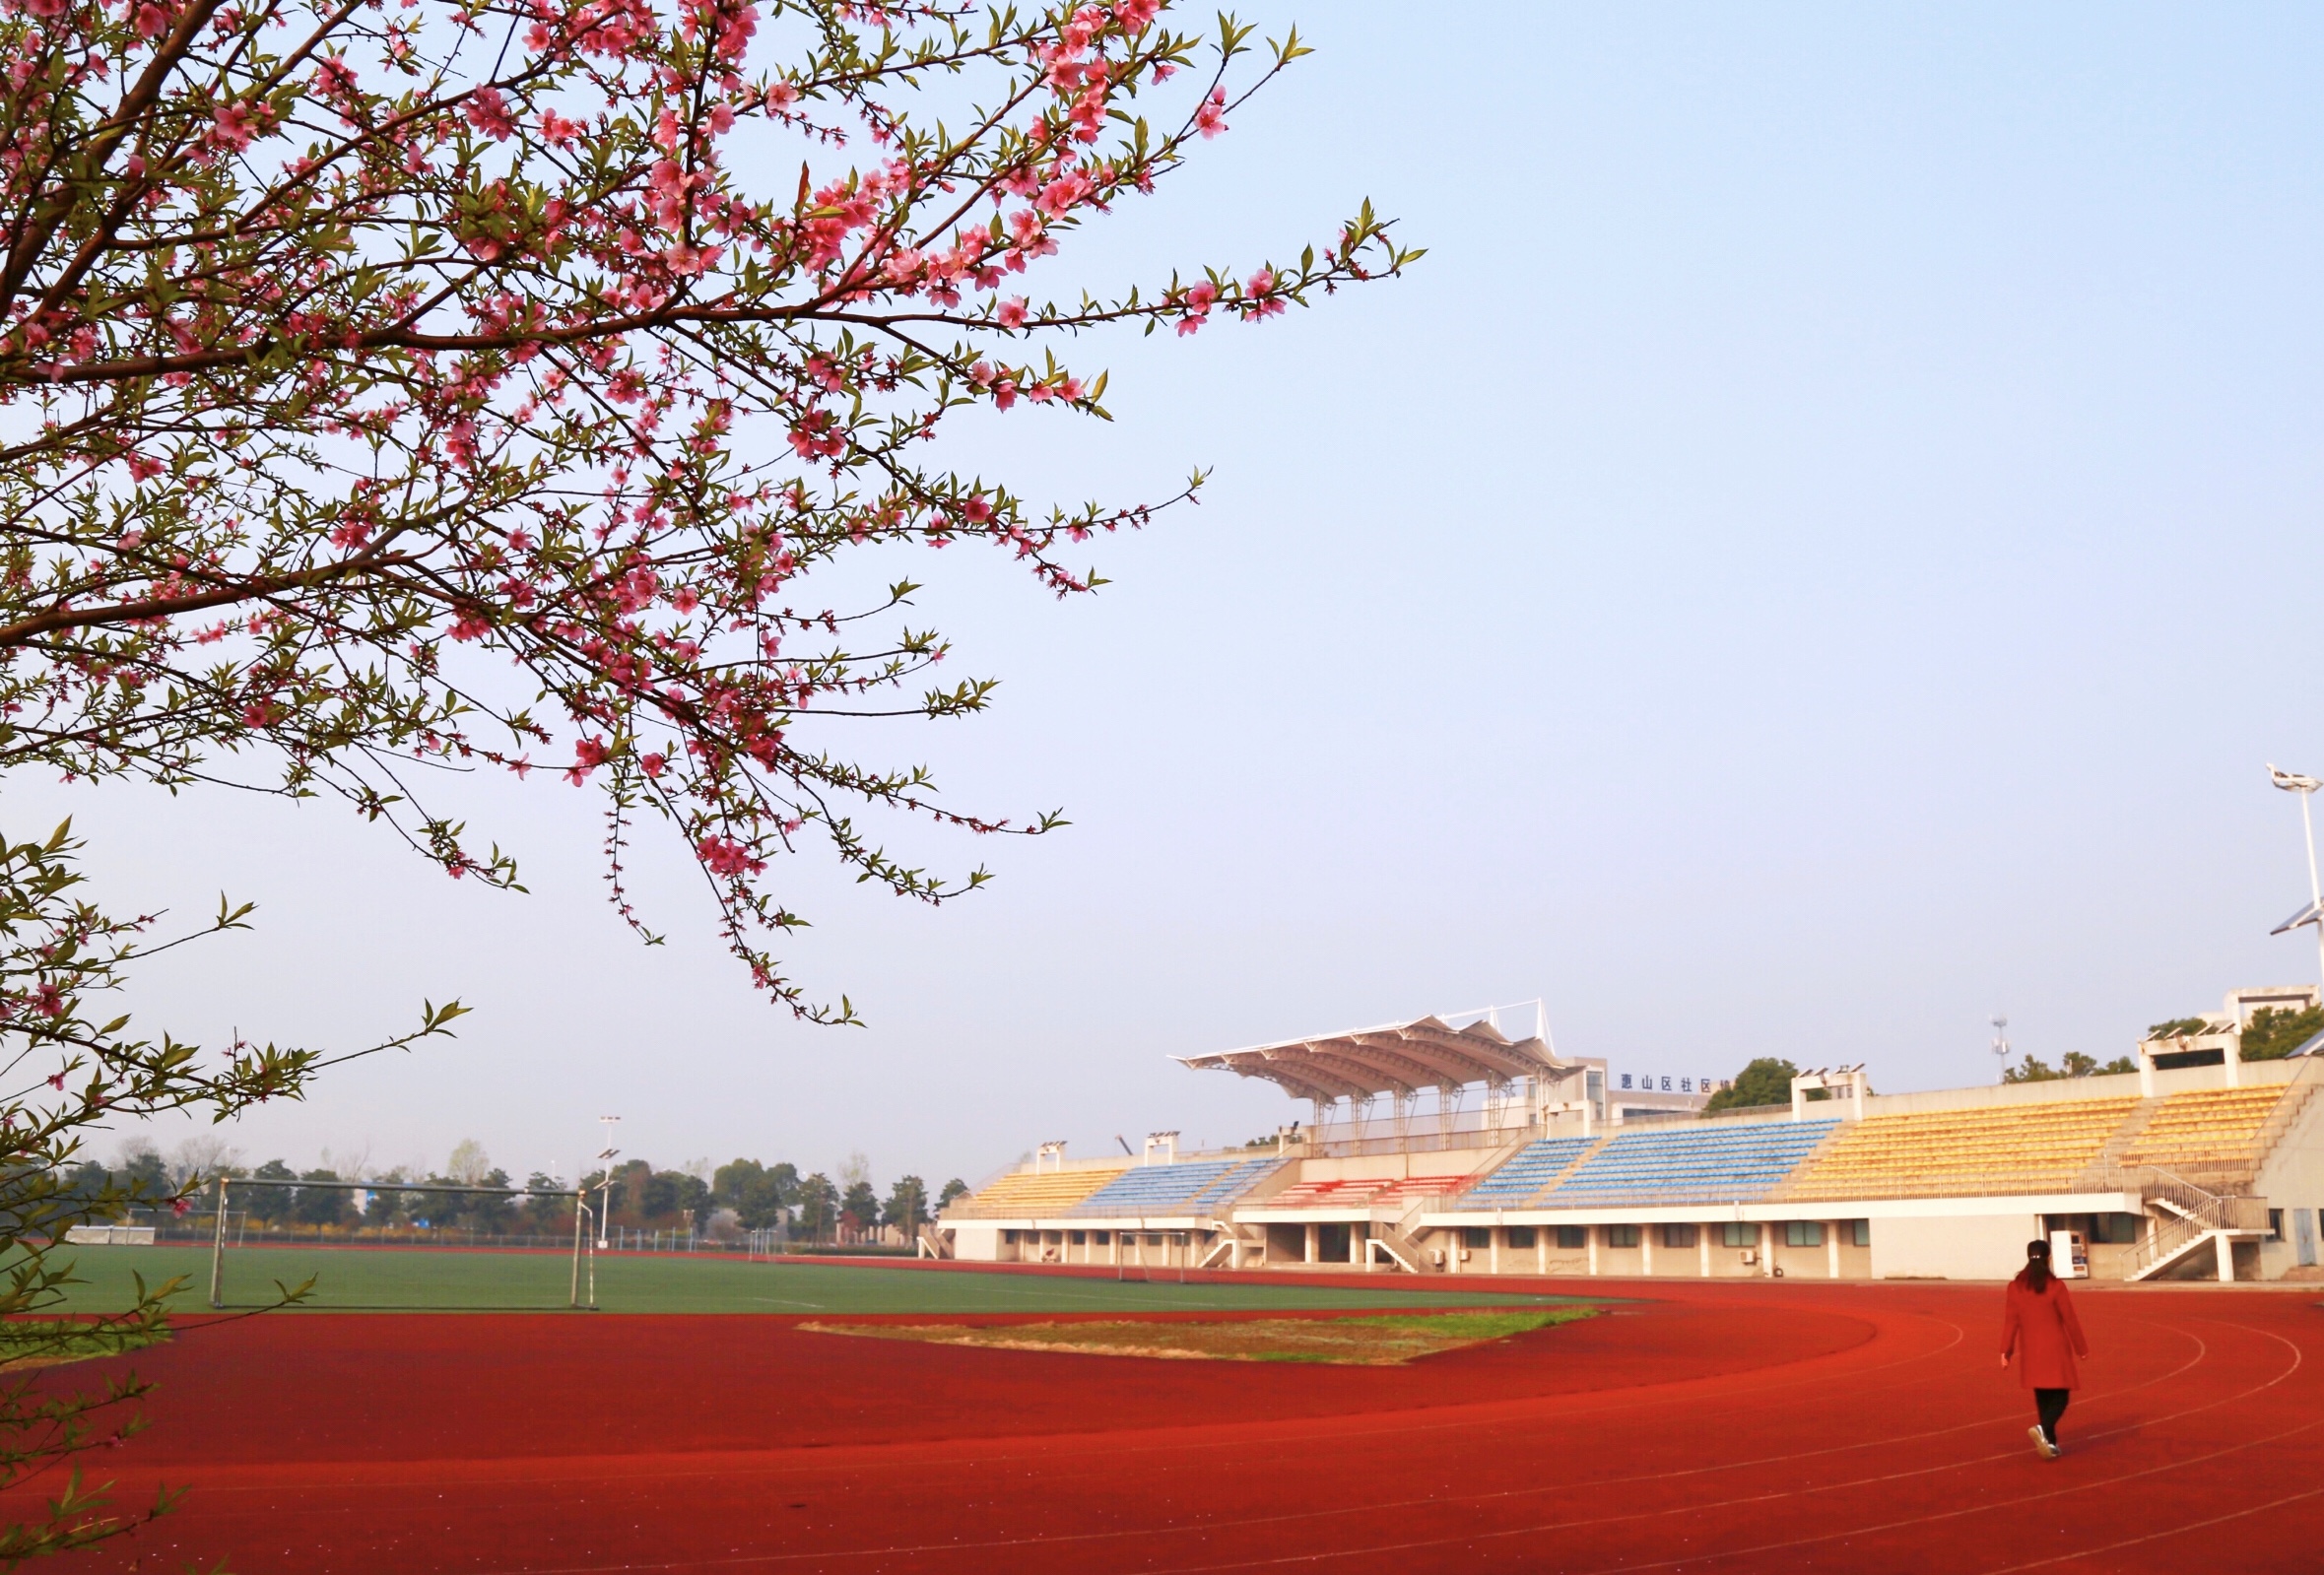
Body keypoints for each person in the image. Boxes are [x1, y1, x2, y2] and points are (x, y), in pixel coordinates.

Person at [2000, 1237, 2090, 1459]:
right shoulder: (2056, 1287)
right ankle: (2043, 1429)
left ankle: (2050, 1443)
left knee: (2042, 1396)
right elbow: (2069, 1319)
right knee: (2061, 1397)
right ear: (2049, 1258)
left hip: (2030, 1350)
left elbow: (2010, 1321)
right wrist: (2081, 1348)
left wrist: (2006, 1351)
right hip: (2055, 1348)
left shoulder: (2015, 1288)